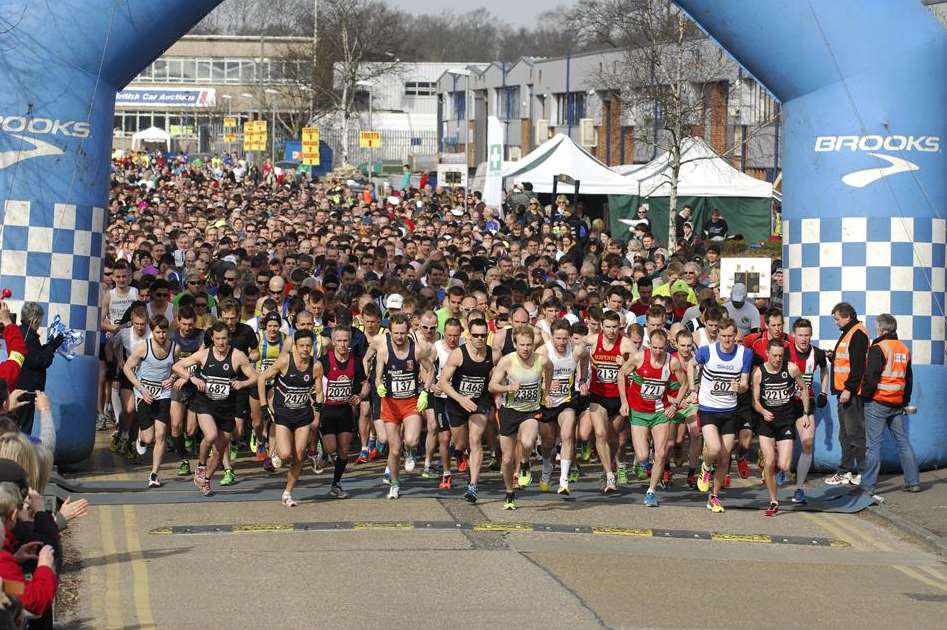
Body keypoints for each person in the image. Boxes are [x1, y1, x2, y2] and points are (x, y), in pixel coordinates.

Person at [172, 321, 257, 496]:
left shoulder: (238, 356)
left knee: (219, 452)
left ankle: (207, 480)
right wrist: (192, 378)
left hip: (227, 408)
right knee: (210, 435)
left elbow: (255, 377)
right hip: (205, 403)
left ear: (229, 338)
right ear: (212, 338)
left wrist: (243, 383)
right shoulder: (203, 354)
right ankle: (201, 466)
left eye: (224, 338)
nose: (221, 342)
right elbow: (177, 366)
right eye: (217, 338)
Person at [618, 328, 688, 507]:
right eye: (655, 348)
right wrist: (624, 402)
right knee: (642, 455)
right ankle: (645, 464)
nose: (658, 352)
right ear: (650, 345)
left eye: (661, 348)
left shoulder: (672, 362)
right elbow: (621, 375)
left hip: (660, 412)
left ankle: (651, 491)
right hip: (639, 412)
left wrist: (675, 404)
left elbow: (685, 383)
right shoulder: (639, 358)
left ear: (666, 346)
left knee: (661, 453)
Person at [858, 313, 920, 501]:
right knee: (903, 443)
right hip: (896, 403)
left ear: (883, 330)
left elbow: (871, 377)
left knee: (873, 446)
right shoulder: (903, 348)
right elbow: (908, 379)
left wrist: (864, 397)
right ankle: (913, 482)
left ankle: (867, 487)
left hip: (877, 402)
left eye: (877, 327)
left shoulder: (879, 348)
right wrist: (904, 401)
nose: (875, 330)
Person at [373, 314, 435, 499]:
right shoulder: (384, 351)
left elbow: (431, 369)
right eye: (395, 333)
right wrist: (379, 386)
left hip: (410, 403)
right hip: (391, 404)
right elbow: (377, 376)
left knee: (412, 440)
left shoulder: (416, 350)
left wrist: (426, 391)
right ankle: (394, 483)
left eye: (402, 333)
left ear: (408, 331)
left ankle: (411, 452)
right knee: (393, 448)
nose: (399, 337)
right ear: (389, 332)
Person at [694, 318, 753, 513]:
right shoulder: (707, 351)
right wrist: (694, 386)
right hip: (709, 409)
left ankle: (714, 497)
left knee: (725, 458)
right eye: (724, 336)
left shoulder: (745, 354)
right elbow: (690, 364)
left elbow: (744, 382)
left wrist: (741, 387)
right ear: (718, 335)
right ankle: (705, 467)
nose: (727, 340)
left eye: (730, 336)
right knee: (714, 449)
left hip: (729, 411)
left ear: (735, 335)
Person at [259, 329, 323, 507]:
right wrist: (264, 406)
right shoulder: (285, 360)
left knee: (298, 456)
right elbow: (261, 378)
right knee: (285, 453)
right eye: (301, 346)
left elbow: (319, 393)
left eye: (308, 346)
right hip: (283, 414)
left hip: (303, 415)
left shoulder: (316, 366)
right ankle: (273, 452)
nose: (305, 349)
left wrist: (317, 411)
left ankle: (287, 493)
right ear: (295, 346)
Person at [489, 325, 550, 510]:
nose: (525, 348)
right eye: (522, 345)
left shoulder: (542, 360)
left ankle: (524, 463)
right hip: (509, 412)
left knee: (528, 440)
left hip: (530, 411)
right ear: (515, 344)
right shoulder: (507, 361)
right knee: (507, 459)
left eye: (529, 345)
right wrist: (508, 388)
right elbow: (492, 385)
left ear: (534, 344)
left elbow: (550, 369)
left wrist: (546, 392)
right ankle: (509, 492)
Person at [437, 318, 494, 503]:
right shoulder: (458, 354)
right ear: (469, 336)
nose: (479, 339)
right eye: (475, 335)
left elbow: (499, 376)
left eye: (483, 335)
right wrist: (461, 399)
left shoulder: (494, 354)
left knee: (475, 439)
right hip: (456, 403)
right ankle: (459, 452)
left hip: (479, 402)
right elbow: (443, 383)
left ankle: (473, 486)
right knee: (460, 443)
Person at [752, 339, 810, 516]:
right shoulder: (759, 373)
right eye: (774, 355)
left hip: (785, 421)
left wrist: (806, 412)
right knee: (769, 463)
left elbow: (804, 388)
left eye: (780, 355)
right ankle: (774, 500)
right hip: (767, 423)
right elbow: (755, 401)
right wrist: (762, 411)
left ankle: (776, 461)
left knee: (784, 465)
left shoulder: (791, 369)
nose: (778, 359)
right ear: (767, 354)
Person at [121, 315, 175, 488]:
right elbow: (127, 368)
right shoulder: (143, 348)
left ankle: (154, 474)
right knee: (149, 436)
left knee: (161, 434)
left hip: (163, 394)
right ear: (152, 332)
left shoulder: (175, 347)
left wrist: (173, 377)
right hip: (143, 393)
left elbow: (179, 366)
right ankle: (141, 439)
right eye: (158, 332)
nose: (162, 336)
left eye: (164, 332)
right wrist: (141, 389)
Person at [537, 320, 588, 495]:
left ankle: (564, 480)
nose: (561, 342)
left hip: (566, 401)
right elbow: (531, 374)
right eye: (558, 338)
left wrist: (582, 379)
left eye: (565, 338)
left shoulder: (576, 349)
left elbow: (586, 356)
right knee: (547, 443)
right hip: (546, 403)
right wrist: (544, 391)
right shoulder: (543, 352)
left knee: (567, 436)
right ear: (552, 337)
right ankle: (546, 470)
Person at [317, 326, 367, 499]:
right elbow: (313, 384)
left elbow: (365, 383)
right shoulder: (324, 361)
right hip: (327, 410)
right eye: (339, 340)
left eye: (345, 340)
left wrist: (359, 395)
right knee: (331, 448)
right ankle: (321, 448)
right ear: (332, 341)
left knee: (344, 450)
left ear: (350, 341)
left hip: (345, 410)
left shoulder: (356, 360)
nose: (342, 344)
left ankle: (336, 483)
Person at [825, 302, 869, 486]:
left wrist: (849, 389)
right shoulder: (850, 333)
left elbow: (857, 366)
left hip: (850, 394)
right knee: (845, 434)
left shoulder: (857, 333)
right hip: (845, 392)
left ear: (847, 316)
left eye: (836, 319)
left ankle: (862, 473)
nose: (835, 322)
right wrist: (832, 357)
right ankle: (848, 471)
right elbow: (847, 360)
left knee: (854, 434)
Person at [786, 318, 829, 504]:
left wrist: (824, 392)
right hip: (784, 403)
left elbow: (825, 370)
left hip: (806, 403)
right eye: (800, 335)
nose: (804, 339)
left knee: (808, 443)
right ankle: (781, 469)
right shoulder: (785, 351)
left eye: (807, 335)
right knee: (780, 445)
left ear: (811, 335)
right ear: (794, 335)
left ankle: (799, 488)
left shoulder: (817, 354)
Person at [14, 302, 64, 434]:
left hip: (19, 386)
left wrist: (49, 345)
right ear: (34, 319)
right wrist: (52, 346)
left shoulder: (21, 331)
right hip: (27, 388)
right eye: (39, 320)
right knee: (23, 427)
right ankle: (21, 454)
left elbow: (35, 354)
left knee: (17, 424)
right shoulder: (28, 336)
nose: (40, 323)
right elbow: (39, 361)